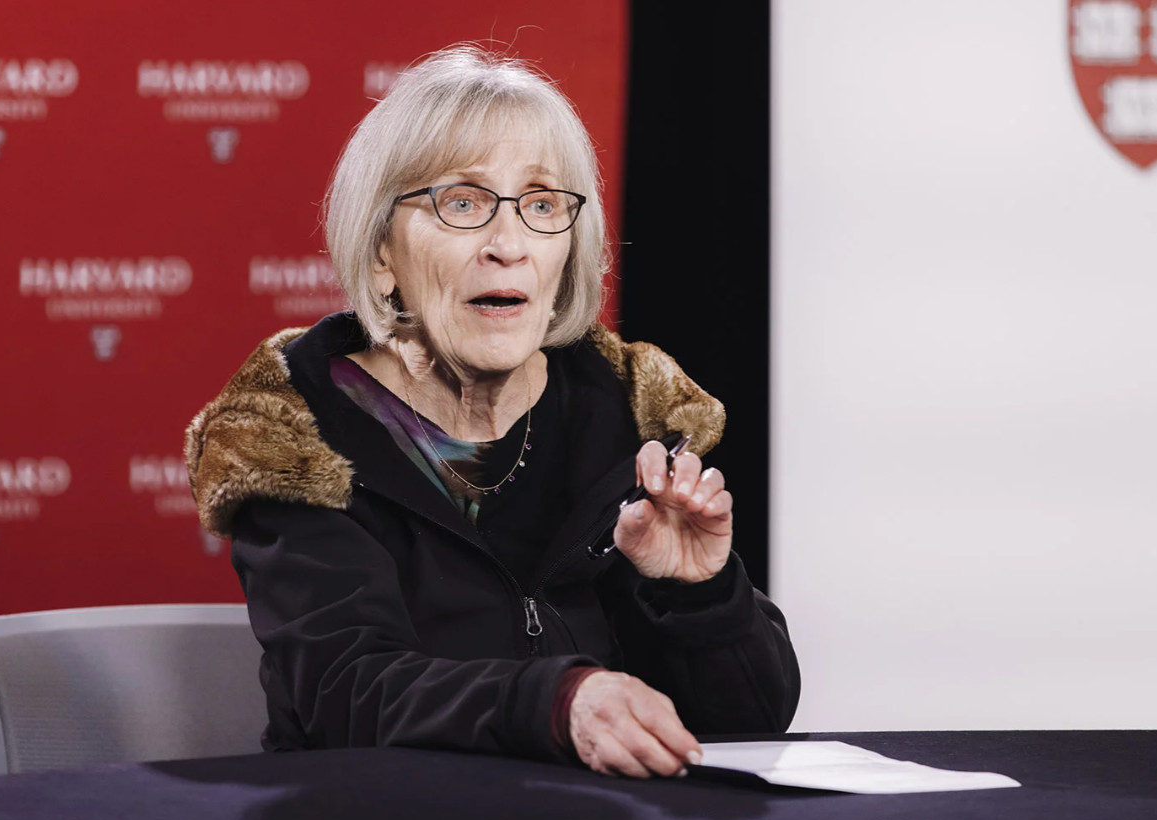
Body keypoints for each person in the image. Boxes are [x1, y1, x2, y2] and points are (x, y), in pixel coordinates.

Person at [185, 46, 799, 779]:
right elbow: (344, 692)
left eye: (541, 205)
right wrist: (557, 703)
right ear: (382, 253)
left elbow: (752, 722)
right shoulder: (298, 431)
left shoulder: (625, 416)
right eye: (462, 203)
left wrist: (699, 593)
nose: (508, 246)